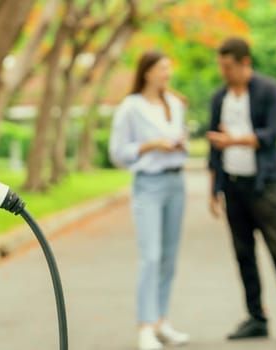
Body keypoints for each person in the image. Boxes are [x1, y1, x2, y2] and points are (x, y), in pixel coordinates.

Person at [205, 37, 276, 344]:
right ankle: (256, 316)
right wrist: (213, 189)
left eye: (228, 67)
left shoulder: (268, 90)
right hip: (233, 186)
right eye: (221, 67)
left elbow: (272, 134)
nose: (224, 73)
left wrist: (235, 140)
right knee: (243, 254)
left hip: (263, 186)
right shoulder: (219, 98)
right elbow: (214, 146)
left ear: (245, 63)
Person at [109, 50, 190, 350]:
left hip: (175, 181)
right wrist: (150, 145)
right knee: (151, 256)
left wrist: (178, 143)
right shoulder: (131, 107)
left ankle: (160, 321)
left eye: (169, 68)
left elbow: (182, 143)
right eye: (162, 69)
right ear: (147, 72)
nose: (167, 74)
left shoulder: (174, 104)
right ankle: (144, 326)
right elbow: (118, 153)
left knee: (169, 257)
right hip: (148, 185)